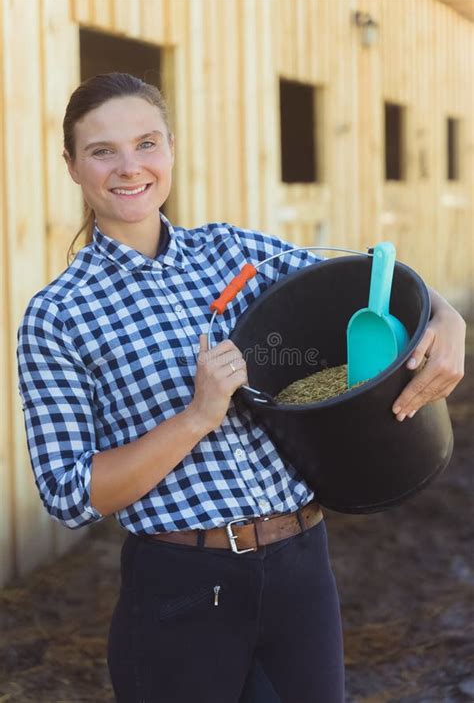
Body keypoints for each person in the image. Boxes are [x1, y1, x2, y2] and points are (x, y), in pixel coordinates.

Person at [16, 73, 465, 703]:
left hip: (301, 563)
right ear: (71, 166)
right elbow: (69, 494)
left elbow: (366, 282)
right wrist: (197, 417)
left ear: (170, 149)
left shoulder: (233, 253)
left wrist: (446, 317)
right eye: (102, 151)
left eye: (146, 143)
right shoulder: (59, 315)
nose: (129, 167)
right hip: (183, 586)